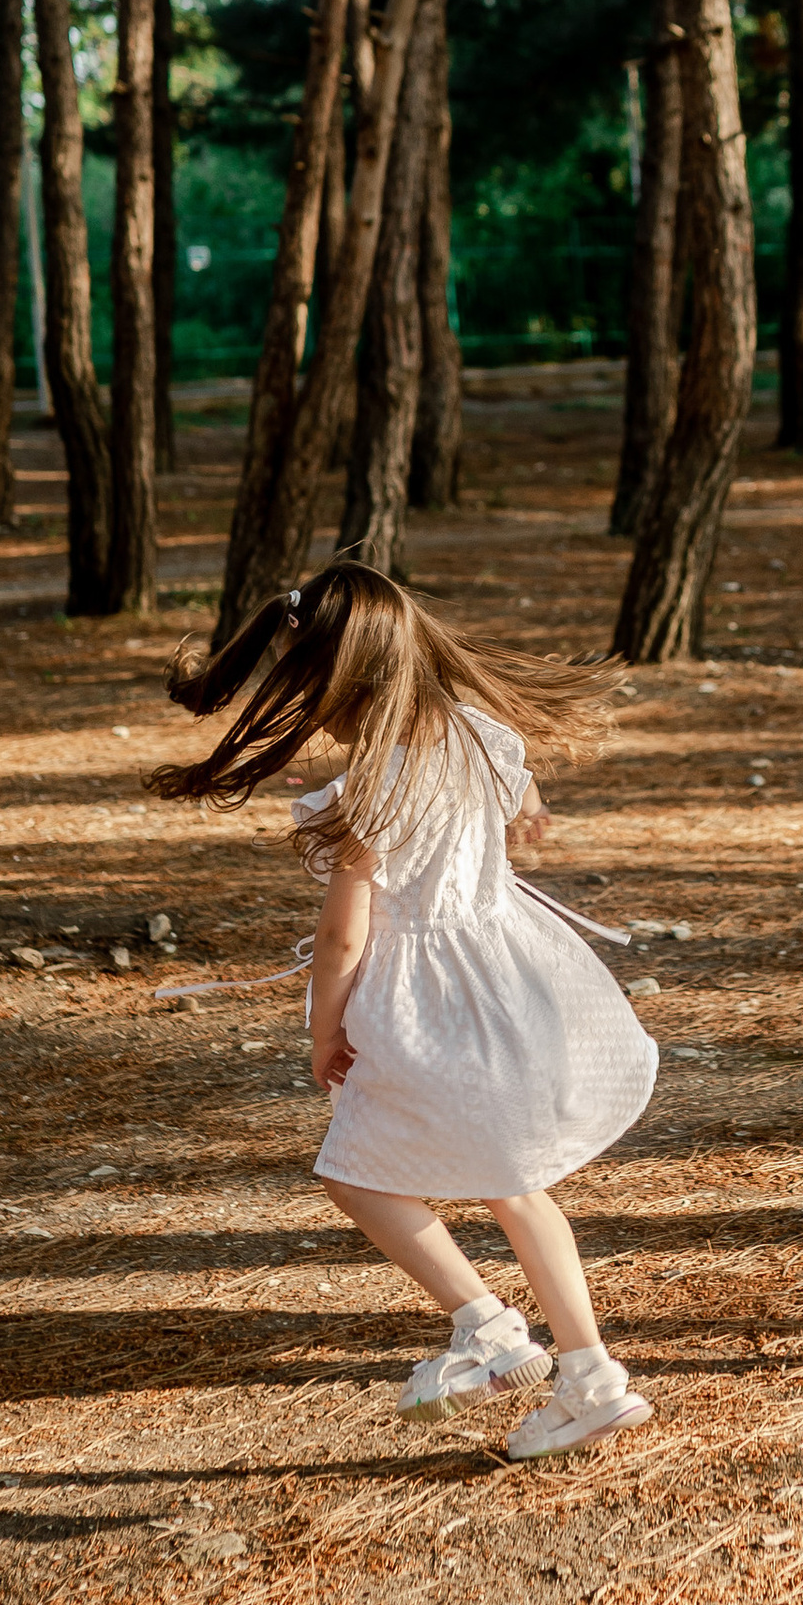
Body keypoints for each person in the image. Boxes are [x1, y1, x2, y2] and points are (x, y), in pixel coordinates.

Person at [149, 561, 658, 1458]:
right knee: (516, 1185)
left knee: (358, 1175)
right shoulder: (484, 736)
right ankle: (590, 1377)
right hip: (515, 990)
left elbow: (344, 937)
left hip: (426, 1010)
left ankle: (487, 1325)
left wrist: (324, 1029)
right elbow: (522, 802)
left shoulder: (370, 794)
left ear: (335, 685)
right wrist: (518, 823)